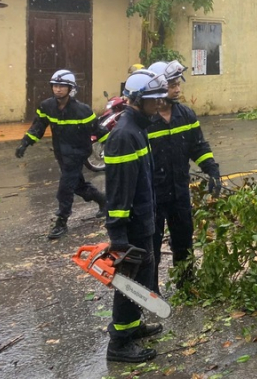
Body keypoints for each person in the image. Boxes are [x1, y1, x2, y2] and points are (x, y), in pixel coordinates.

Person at [103, 69, 168, 363]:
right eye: (154, 101)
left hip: (144, 220)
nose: (159, 106)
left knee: (140, 281)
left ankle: (131, 327)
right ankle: (119, 344)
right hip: (130, 227)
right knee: (128, 283)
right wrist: (117, 235)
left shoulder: (139, 128)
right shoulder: (124, 136)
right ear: (138, 100)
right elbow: (119, 191)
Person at [145, 60, 221, 293]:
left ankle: (186, 283)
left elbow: (198, 146)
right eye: (172, 84)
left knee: (183, 240)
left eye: (178, 84)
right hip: (152, 196)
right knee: (151, 244)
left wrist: (212, 169)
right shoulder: (145, 120)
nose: (177, 89)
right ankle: (150, 290)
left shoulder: (185, 115)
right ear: (157, 86)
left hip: (179, 191)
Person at [15, 69, 107, 240]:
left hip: (78, 154)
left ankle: (61, 222)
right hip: (61, 154)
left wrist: (114, 144)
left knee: (65, 187)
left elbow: (99, 130)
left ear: (70, 88)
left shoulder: (83, 110)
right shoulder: (47, 106)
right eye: (55, 86)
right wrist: (25, 143)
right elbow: (38, 126)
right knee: (77, 185)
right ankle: (103, 201)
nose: (57, 89)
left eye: (61, 86)